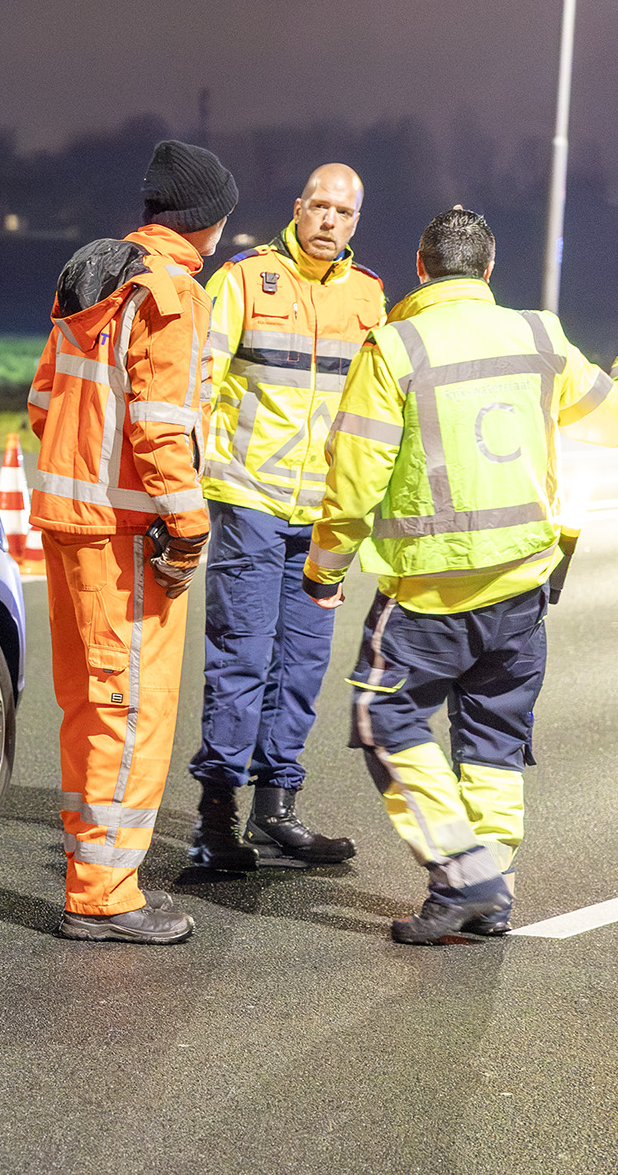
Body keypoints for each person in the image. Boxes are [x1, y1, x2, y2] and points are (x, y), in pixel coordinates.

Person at [304, 207, 618, 943]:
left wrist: (325, 568)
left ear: (421, 268)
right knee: (493, 737)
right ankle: (492, 889)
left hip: (429, 592)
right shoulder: (541, 335)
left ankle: (464, 876)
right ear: (488, 269)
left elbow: (354, 479)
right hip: (523, 586)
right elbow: (605, 416)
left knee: (385, 718)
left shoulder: (395, 346)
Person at [28, 139, 233, 943]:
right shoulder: (173, 293)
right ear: (207, 221)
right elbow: (159, 427)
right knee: (132, 710)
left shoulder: (92, 272)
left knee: (88, 703)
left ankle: (92, 871)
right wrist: (188, 527)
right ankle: (106, 895)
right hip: (126, 537)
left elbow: (43, 401)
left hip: (69, 521)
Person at [186, 165, 386, 870]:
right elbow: (198, 384)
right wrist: (193, 480)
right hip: (249, 500)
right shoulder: (244, 280)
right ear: (298, 208)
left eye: (343, 211)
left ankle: (276, 809)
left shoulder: (370, 297)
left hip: (324, 516)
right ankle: (215, 820)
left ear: (356, 221)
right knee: (240, 659)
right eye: (320, 206)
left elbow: (379, 408)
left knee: (300, 666)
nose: (329, 219)